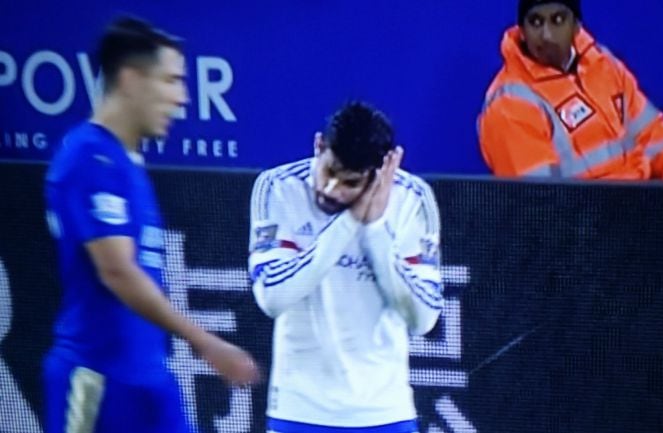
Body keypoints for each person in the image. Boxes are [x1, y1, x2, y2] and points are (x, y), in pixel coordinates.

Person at [43, 16, 259, 433]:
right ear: (131, 79)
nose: (182, 98)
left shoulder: (127, 163)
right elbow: (118, 271)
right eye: (171, 80)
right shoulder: (89, 157)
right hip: (96, 383)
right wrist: (205, 341)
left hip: (149, 378)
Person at [248, 101, 444, 433]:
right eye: (328, 171)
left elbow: (424, 318)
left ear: (378, 174)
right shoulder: (278, 188)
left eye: (350, 183)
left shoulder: (412, 199)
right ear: (318, 146)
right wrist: (350, 221)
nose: (330, 189)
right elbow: (272, 297)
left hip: (385, 413)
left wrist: (375, 229)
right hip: (299, 411)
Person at [477, 0, 663, 180]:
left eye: (558, 20)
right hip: (582, 232)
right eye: (536, 22)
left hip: (641, 213)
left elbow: (653, 134)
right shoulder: (509, 103)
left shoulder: (604, 65)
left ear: (576, 26)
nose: (546, 35)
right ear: (522, 31)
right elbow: (541, 209)